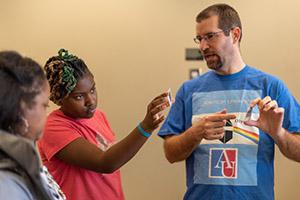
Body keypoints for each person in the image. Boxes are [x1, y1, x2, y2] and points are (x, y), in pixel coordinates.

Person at [158, 3, 300, 200]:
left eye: (210, 36)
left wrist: (278, 133)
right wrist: (196, 132)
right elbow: (170, 153)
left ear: (235, 34)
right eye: (199, 39)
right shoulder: (189, 90)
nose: (202, 46)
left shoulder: (271, 87)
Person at [37, 49, 170, 200]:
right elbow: (105, 163)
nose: (91, 101)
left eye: (92, 90)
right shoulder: (52, 128)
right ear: (59, 99)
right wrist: (145, 127)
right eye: (79, 96)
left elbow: (113, 165)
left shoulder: (99, 116)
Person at [0, 51, 66, 200]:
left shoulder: (21, 164)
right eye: (44, 105)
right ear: (22, 110)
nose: (46, 114)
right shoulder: (6, 186)